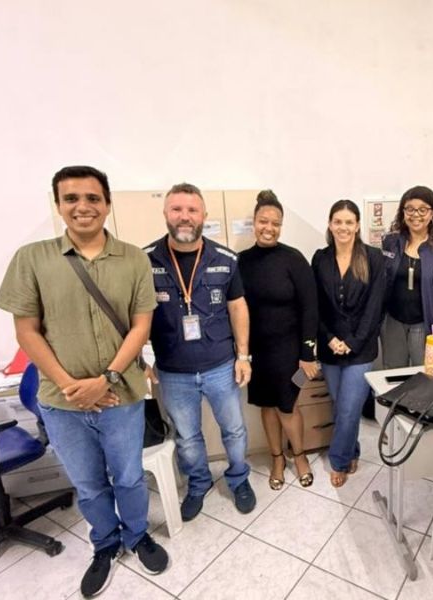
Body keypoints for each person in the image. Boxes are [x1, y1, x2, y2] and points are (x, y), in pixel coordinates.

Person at [0, 165, 169, 599]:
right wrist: (72, 387)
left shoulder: (133, 258)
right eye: (71, 198)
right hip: (62, 403)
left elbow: (140, 327)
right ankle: (105, 544)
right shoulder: (32, 259)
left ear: (107, 204)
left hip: (121, 398)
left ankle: (137, 535)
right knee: (89, 484)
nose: (82, 206)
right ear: (59, 205)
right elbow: (27, 332)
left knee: (129, 477)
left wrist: (105, 380)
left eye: (92, 198)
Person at [146, 182, 256, 521]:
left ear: (203, 215)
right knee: (187, 437)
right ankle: (198, 483)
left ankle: (238, 479)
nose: (185, 216)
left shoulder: (225, 259)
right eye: (177, 209)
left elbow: (237, 307)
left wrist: (243, 356)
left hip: (220, 365)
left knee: (234, 430)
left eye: (192, 210)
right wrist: (139, 360)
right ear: (165, 213)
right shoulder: (144, 260)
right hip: (172, 370)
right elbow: (136, 314)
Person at [238, 190, 319, 490]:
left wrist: (308, 354)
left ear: (281, 226)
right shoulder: (241, 261)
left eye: (275, 223)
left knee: (288, 405)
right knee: (267, 406)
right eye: (263, 221)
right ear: (254, 222)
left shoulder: (293, 259)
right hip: (257, 353)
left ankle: (299, 455)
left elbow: (311, 308)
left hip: (292, 354)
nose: (269, 228)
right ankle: (276, 458)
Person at [312, 200, 386, 488]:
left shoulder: (373, 258)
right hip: (329, 346)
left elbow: (375, 308)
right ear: (330, 225)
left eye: (348, 222)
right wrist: (329, 338)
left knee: (348, 408)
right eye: (338, 221)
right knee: (341, 405)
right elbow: (315, 305)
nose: (343, 227)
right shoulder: (320, 258)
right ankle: (352, 450)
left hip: (361, 348)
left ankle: (339, 461)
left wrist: (352, 343)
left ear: (357, 226)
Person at [380, 185, 433, 367]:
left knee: (426, 374)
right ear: (403, 212)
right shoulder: (389, 242)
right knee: (393, 373)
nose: (415, 215)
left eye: (422, 210)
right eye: (410, 209)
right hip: (393, 321)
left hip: (426, 324)